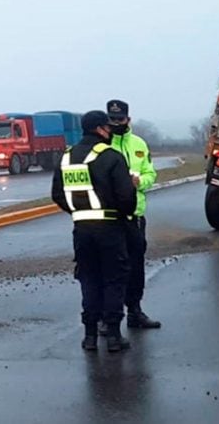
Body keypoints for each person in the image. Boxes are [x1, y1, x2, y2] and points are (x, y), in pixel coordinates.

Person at [51, 110, 138, 352]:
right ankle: (112, 335)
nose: (111, 132)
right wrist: (125, 206)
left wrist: (78, 211)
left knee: (89, 279)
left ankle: (89, 336)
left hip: (81, 229)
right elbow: (125, 197)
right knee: (114, 279)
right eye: (108, 128)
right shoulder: (111, 156)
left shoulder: (67, 157)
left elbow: (57, 194)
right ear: (100, 129)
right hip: (110, 227)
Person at [106, 99, 161, 329]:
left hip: (135, 216)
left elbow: (151, 173)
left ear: (128, 119)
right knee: (110, 269)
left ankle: (135, 311)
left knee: (135, 267)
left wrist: (140, 182)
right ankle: (107, 317)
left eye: (120, 119)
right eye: (112, 119)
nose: (116, 123)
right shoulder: (103, 144)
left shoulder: (139, 144)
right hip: (109, 218)